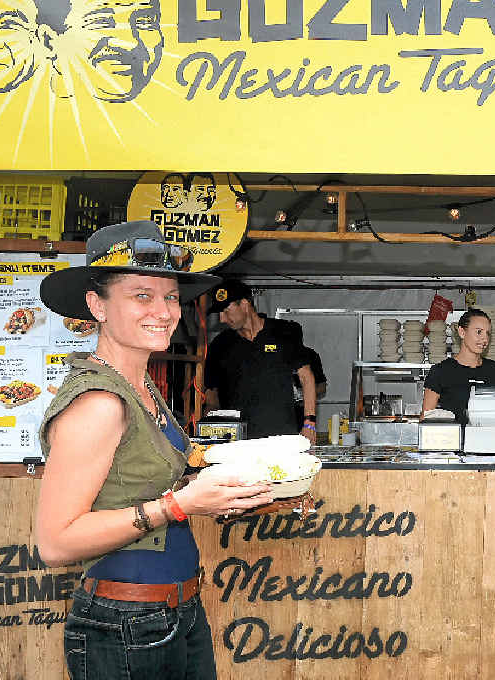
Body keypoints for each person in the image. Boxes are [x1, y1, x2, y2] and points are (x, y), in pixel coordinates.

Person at [35, 221, 274, 680]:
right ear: (97, 306)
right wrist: (179, 505)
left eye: (170, 297)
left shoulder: (140, 383)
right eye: (142, 296)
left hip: (176, 611)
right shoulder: (99, 403)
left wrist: (220, 489)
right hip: (125, 622)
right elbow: (55, 543)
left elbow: (140, 483)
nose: (164, 312)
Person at [204, 280, 318, 441]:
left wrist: (309, 423)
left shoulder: (285, 332)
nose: (222, 319)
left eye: (226, 311)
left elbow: (306, 377)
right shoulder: (220, 345)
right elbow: (211, 393)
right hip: (238, 443)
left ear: (245, 304)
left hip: (282, 438)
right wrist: (212, 422)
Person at [422, 308, 495, 424]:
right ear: (462, 332)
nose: (485, 339)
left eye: (488, 333)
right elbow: (426, 418)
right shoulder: (440, 371)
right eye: (479, 332)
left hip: (491, 435)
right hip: (454, 435)